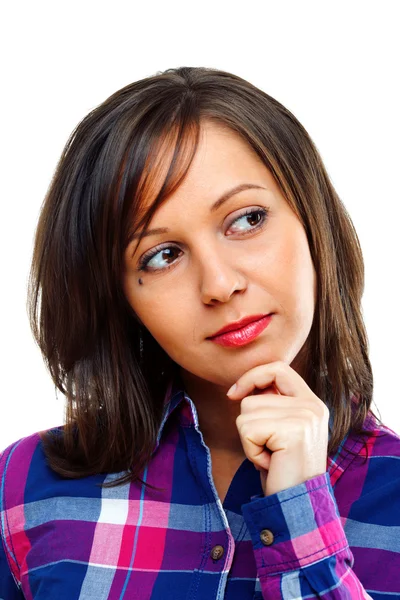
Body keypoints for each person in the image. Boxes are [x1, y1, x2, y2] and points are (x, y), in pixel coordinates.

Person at [0, 66, 399, 600]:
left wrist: (303, 521)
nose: (220, 284)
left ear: (313, 219)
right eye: (163, 255)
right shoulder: (28, 487)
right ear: (118, 297)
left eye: (247, 219)